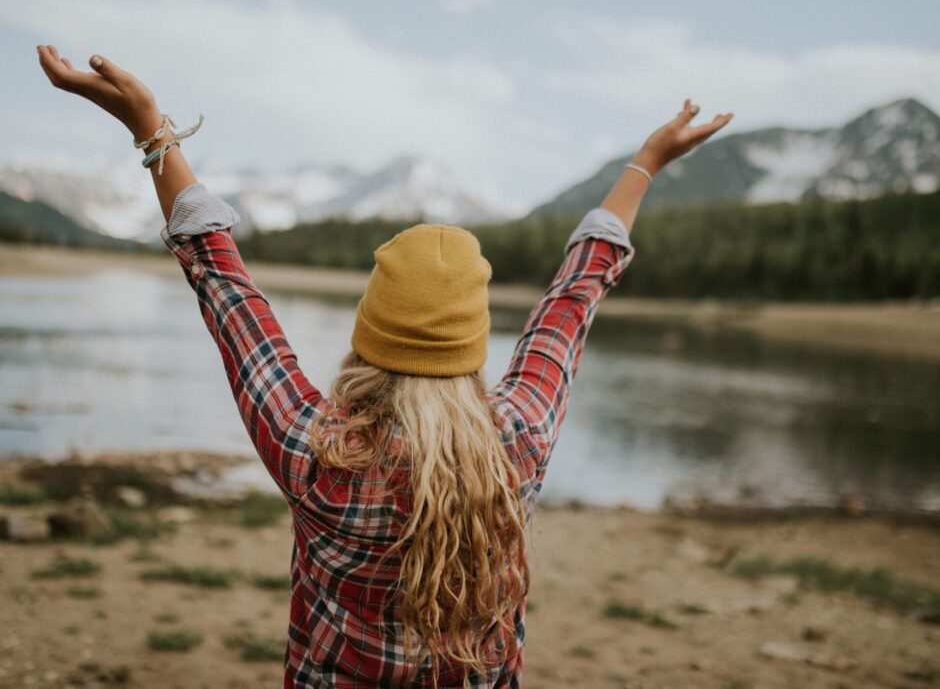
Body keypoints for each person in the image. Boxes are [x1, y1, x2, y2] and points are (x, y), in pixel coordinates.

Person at [36, 44, 733, 688]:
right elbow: (573, 298)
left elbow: (226, 287)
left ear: (369, 336)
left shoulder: (315, 452)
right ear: (471, 347)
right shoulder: (517, 442)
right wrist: (644, 164)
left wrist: (152, 130)